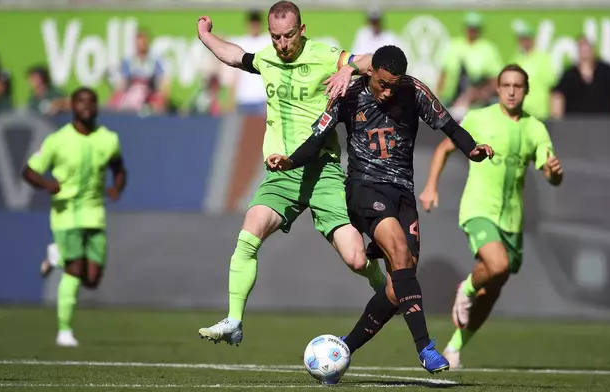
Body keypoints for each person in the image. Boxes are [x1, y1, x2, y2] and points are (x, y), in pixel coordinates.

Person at [266, 45, 494, 376]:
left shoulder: (412, 90)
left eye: (393, 85)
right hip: (364, 188)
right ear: (370, 71)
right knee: (400, 253)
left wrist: (471, 149)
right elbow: (318, 136)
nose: (388, 92)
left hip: (403, 194)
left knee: (398, 284)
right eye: (383, 83)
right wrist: (290, 160)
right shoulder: (349, 93)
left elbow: (449, 125)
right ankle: (425, 347)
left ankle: (344, 348)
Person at [195, 0, 387, 346]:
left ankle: (382, 285)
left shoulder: (324, 55)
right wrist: (205, 36)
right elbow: (235, 55)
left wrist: (350, 69)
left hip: (322, 171)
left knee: (357, 259)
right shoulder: (267, 57)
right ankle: (234, 320)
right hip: (281, 176)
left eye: (287, 36)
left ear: (301, 30)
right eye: (275, 37)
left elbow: (379, 58)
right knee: (248, 234)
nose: (281, 45)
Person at [419, 64, 564, 369]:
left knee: (493, 290)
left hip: (512, 219)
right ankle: (467, 288)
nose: (512, 91)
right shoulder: (479, 118)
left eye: (518, 86)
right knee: (494, 266)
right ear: (498, 89)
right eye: (506, 85)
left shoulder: (535, 128)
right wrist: (431, 186)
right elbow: (445, 149)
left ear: (526, 91)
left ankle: (456, 347)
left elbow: (550, 173)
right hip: (478, 209)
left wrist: (553, 173)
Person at [22, 87, 127, 347]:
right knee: (74, 270)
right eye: (81, 102)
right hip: (65, 213)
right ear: (72, 106)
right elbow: (29, 171)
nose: (87, 106)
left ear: (97, 107)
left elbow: (119, 169)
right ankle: (64, 331)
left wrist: (117, 187)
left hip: (95, 214)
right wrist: (47, 185)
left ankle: (55, 255)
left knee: (91, 280)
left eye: (92, 102)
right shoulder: (57, 140)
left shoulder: (108, 139)